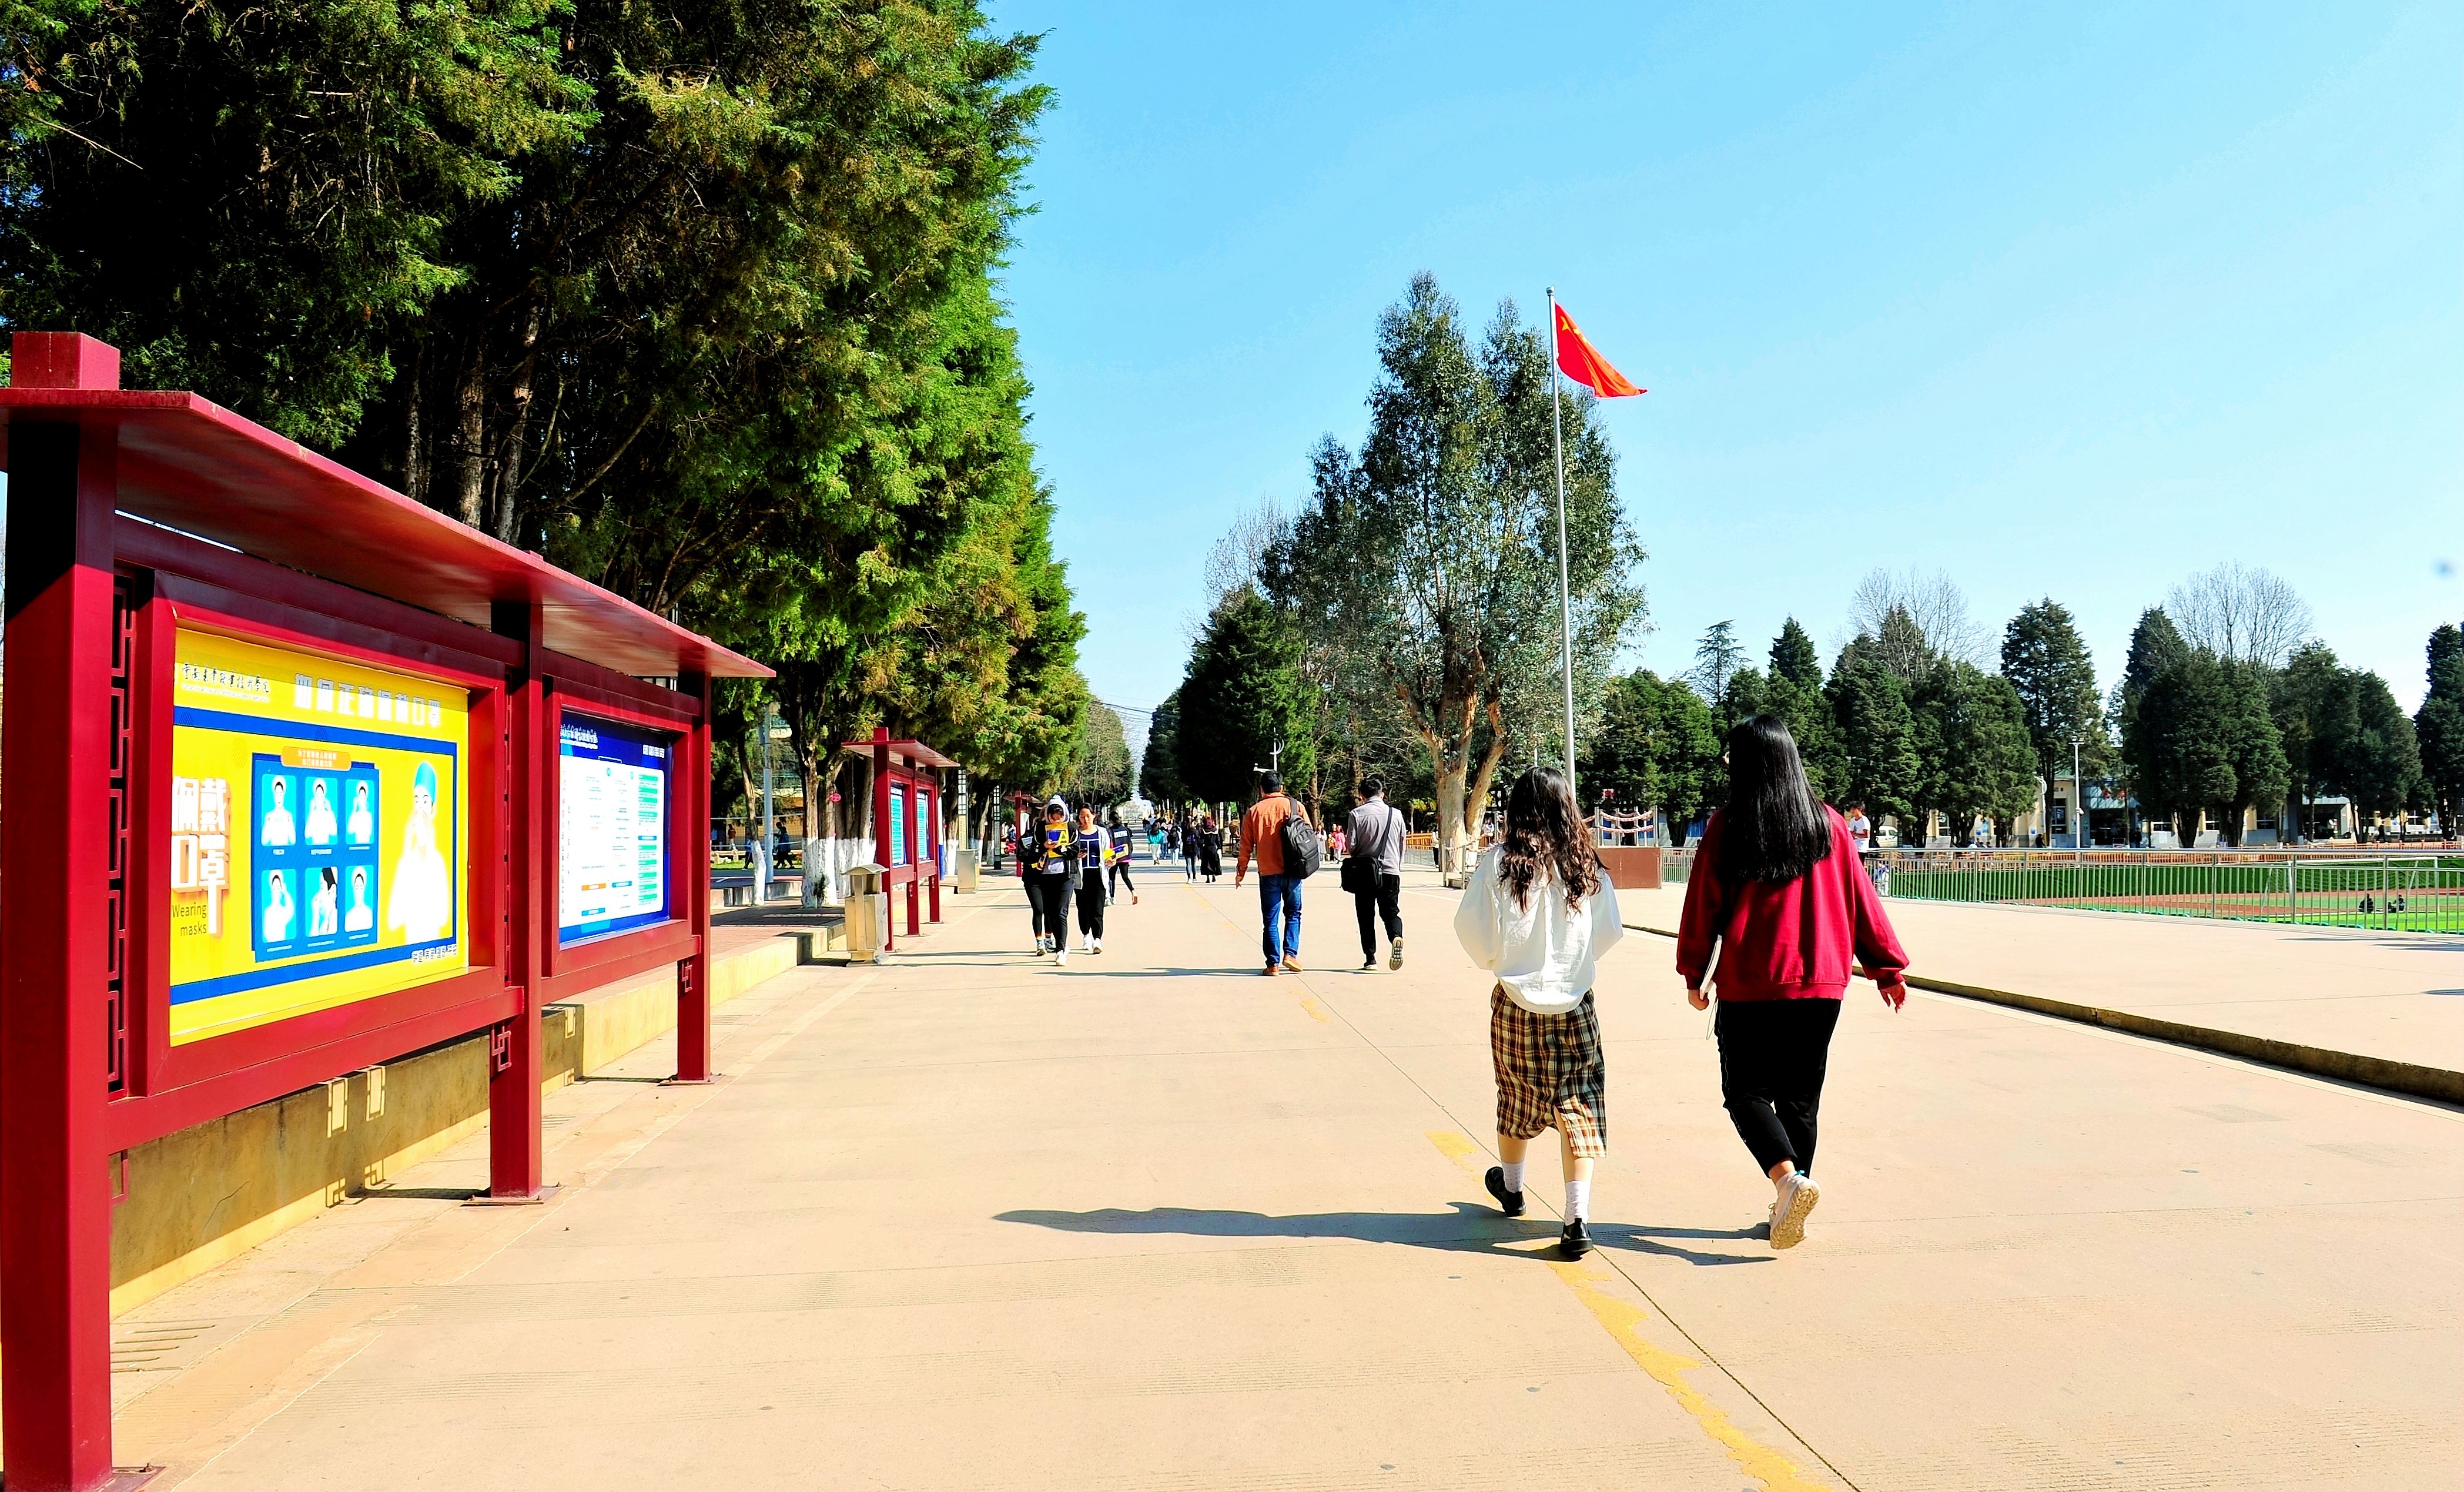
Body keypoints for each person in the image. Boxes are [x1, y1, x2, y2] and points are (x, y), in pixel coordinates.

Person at [1676, 715, 1910, 1252]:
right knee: (1800, 1103)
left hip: (1754, 979)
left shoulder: (1730, 824)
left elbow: (1703, 904)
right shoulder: (1829, 823)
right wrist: (1885, 969)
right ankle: (1790, 1203)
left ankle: (1788, 1183)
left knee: (1745, 1093)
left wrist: (1694, 972)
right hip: (1822, 983)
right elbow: (1860, 898)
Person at [1454, 767, 1623, 1260]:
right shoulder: (1586, 865)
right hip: (1575, 1002)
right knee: (1579, 1105)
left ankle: (1512, 1188)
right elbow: (1608, 932)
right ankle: (1576, 1218)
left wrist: (1501, 962)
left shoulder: (1499, 863)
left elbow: (1471, 929)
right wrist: (1573, 967)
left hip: (1515, 1001)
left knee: (1516, 1096)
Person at [1235, 775, 1311, 975]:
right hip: (1294, 870)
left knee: (1270, 919)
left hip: (1268, 872)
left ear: (1261, 789)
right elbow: (1308, 835)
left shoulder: (1254, 812)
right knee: (1293, 913)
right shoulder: (1296, 807)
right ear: (1282, 787)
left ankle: (1273, 965)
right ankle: (1291, 955)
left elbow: (1246, 845)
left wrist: (1241, 872)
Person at [1345, 777, 1408, 971]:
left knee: (1365, 915)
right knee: (1391, 912)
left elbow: (1351, 846)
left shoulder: (1356, 814)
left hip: (1365, 872)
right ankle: (1396, 936)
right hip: (1391, 871)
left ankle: (1370, 958)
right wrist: (1396, 864)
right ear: (1382, 794)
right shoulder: (1396, 814)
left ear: (1362, 796)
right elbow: (1402, 843)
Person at [385, 761, 452, 939]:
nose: (420, 808)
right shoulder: (406, 860)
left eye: (425, 800)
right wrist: (406, 849)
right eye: (416, 800)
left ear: (433, 808)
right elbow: (393, 920)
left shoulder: (438, 862)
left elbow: (442, 917)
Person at [1020, 797, 1078, 964]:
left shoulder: (1071, 828)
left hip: (1065, 876)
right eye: (1052, 818)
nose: (1055, 822)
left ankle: (1060, 950)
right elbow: (1030, 851)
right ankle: (1057, 943)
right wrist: (1044, 847)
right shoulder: (1039, 829)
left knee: (1061, 913)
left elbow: (1074, 851)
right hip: (1044, 876)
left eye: (1059, 818)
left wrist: (1059, 849)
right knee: (1051, 914)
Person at [1073, 806, 1111, 954]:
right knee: (1083, 908)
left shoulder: (1102, 832)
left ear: (1094, 815)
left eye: (1088, 816)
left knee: (1097, 908)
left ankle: (1097, 939)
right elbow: (1069, 852)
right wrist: (1075, 855)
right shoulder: (1075, 833)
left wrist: (1111, 860)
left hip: (1098, 875)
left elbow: (1108, 851)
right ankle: (1086, 936)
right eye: (1082, 816)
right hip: (1081, 875)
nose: (1085, 819)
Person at [1110, 818, 1140, 905]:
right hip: (1125, 856)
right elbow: (1129, 842)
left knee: (1112, 878)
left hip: (1115, 857)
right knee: (1125, 877)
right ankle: (1133, 891)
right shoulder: (1126, 830)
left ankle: (1112, 897)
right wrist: (1129, 854)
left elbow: (1110, 844)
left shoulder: (1111, 831)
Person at [261, 775, 297, 847]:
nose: (279, 797)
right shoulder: (269, 816)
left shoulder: (288, 815)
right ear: (274, 795)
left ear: (284, 795)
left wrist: (290, 823)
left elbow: (293, 841)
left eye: (281, 794)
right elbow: (264, 842)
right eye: (277, 794)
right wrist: (268, 823)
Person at [304, 778, 339, 846]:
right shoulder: (313, 815)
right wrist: (311, 811)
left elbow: (334, 833)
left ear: (324, 797)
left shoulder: (328, 814)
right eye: (317, 795)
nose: (320, 798)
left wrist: (330, 811)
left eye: (321, 795)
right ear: (314, 797)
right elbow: (307, 835)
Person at [1197, 815, 1223, 882]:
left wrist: (1200, 846)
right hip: (1213, 848)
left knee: (1207, 863)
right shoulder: (1215, 831)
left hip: (1206, 848)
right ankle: (1214, 876)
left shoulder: (1204, 831)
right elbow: (1218, 840)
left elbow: (1201, 841)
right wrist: (1219, 847)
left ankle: (1208, 878)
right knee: (1214, 862)